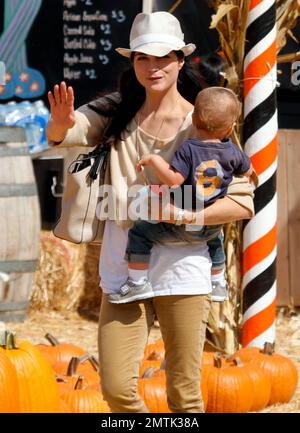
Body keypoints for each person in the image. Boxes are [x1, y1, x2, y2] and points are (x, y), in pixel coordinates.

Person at [46, 11, 254, 413]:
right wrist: (59, 123)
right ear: (133, 62)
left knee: (185, 395)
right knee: (117, 388)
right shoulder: (114, 111)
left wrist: (183, 215)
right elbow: (65, 133)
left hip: (183, 264)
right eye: (142, 57)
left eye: (162, 57)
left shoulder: (205, 121)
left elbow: (241, 202)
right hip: (125, 267)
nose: (152, 65)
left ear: (180, 60)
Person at [108, 86, 253, 305]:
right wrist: (251, 175)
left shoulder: (188, 149)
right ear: (231, 128)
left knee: (140, 233)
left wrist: (155, 161)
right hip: (209, 225)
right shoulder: (232, 151)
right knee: (216, 239)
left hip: (179, 224)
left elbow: (173, 179)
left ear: (193, 120)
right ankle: (218, 283)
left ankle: (137, 282)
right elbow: (248, 171)